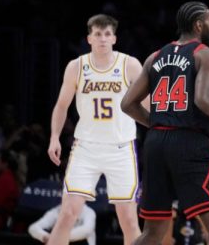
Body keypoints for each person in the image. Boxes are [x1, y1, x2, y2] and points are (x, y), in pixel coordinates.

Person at [120, 1, 209, 245]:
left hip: (155, 143)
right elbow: (204, 99)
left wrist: (162, 125)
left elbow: (127, 104)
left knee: (152, 233)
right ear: (199, 24)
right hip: (189, 145)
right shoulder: (207, 54)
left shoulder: (154, 57)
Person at [46, 14, 142, 245]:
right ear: (89, 38)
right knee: (67, 214)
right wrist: (54, 138)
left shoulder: (129, 65)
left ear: (114, 38)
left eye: (107, 34)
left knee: (128, 219)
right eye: (98, 34)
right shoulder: (76, 66)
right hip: (85, 148)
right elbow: (61, 105)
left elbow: (148, 104)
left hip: (120, 149)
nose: (102, 39)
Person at [28, 203, 96, 245]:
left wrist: (58, 238)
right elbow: (33, 228)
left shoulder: (88, 212)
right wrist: (45, 236)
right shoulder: (56, 211)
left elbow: (86, 230)